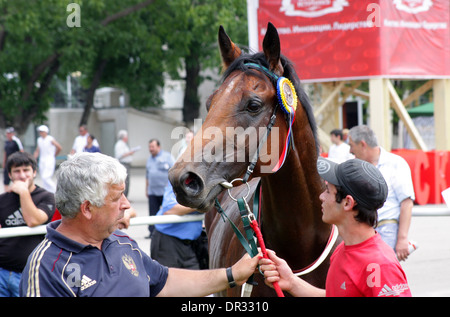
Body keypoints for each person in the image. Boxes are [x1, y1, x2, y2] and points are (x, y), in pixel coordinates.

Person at [19, 152, 260, 297]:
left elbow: (164, 281)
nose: (126, 205)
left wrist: (233, 274)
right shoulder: (47, 267)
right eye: (116, 198)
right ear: (87, 208)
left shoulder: (123, 243)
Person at [259, 157, 411, 297]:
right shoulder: (341, 250)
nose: (321, 197)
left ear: (347, 203)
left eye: (327, 191)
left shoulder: (380, 265)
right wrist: (291, 282)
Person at [348, 125, 414, 261]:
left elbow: (406, 203)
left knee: (382, 271)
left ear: (362, 144)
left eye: (352, 145)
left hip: (386, 229)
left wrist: (402, 239)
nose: (350, 150)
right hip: (362, 231)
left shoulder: (396, 164)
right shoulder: (356, 167)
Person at [0, 152, 55, 297]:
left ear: (34, 172)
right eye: (17, 171)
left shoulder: (46, 197)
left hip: (29, 273)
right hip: (2, 272)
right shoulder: (2, 199)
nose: (22, 175)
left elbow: (33, 220)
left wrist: (24, 192)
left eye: (26, 170)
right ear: (10, 175)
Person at [150, 181, 204, 269]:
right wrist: (202, 204)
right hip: (168, 242)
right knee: (166, 281)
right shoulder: (180, 177)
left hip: (192, 244)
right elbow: (170, 210)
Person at [146, 139, 174, 237]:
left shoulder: (167, 157)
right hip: (152, 191)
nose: (151, 149)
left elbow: (174, 171)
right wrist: (146, 189)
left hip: (164, 191)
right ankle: (152, 232)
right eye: (150, 147)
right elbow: (147, 175)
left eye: (153, 147)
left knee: (167, 211)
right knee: (153, 212)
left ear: (159, 147)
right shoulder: (149, 159)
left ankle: (168, 232)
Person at [33, 125, 62, 193]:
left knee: (46, 177)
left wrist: (54, 155)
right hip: (42, 160)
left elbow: (59, 147)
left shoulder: (50, 139)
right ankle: (47, 192)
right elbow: (37, 150)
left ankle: (56, 190)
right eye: (40, 132)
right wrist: (33, 159)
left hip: (49, 160)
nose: (41, 133)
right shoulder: (39, 140)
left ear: (46, 132)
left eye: (42, 131)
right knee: (43, 177)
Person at [114, 130, 137, 198]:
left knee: (127, 181)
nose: (127, 138)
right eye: (126, 136)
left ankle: (125, 197)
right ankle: (123, 197)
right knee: (125, 181)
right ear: (124, 137)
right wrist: (130, 153)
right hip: (123, 164)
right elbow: (120, 155)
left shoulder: (123, 144)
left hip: (126, 164)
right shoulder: (119, 144)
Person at [3, 127, 24, 192]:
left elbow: (21, 151)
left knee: (16, 177)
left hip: (15, 162)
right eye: (7, 133)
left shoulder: (16, 141)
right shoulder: (7, 142)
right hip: (8, 162)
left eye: (10, 133)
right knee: (6, 178)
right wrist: (4, 162)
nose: (8, 135)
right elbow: (5, 153)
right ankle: (6, 193)